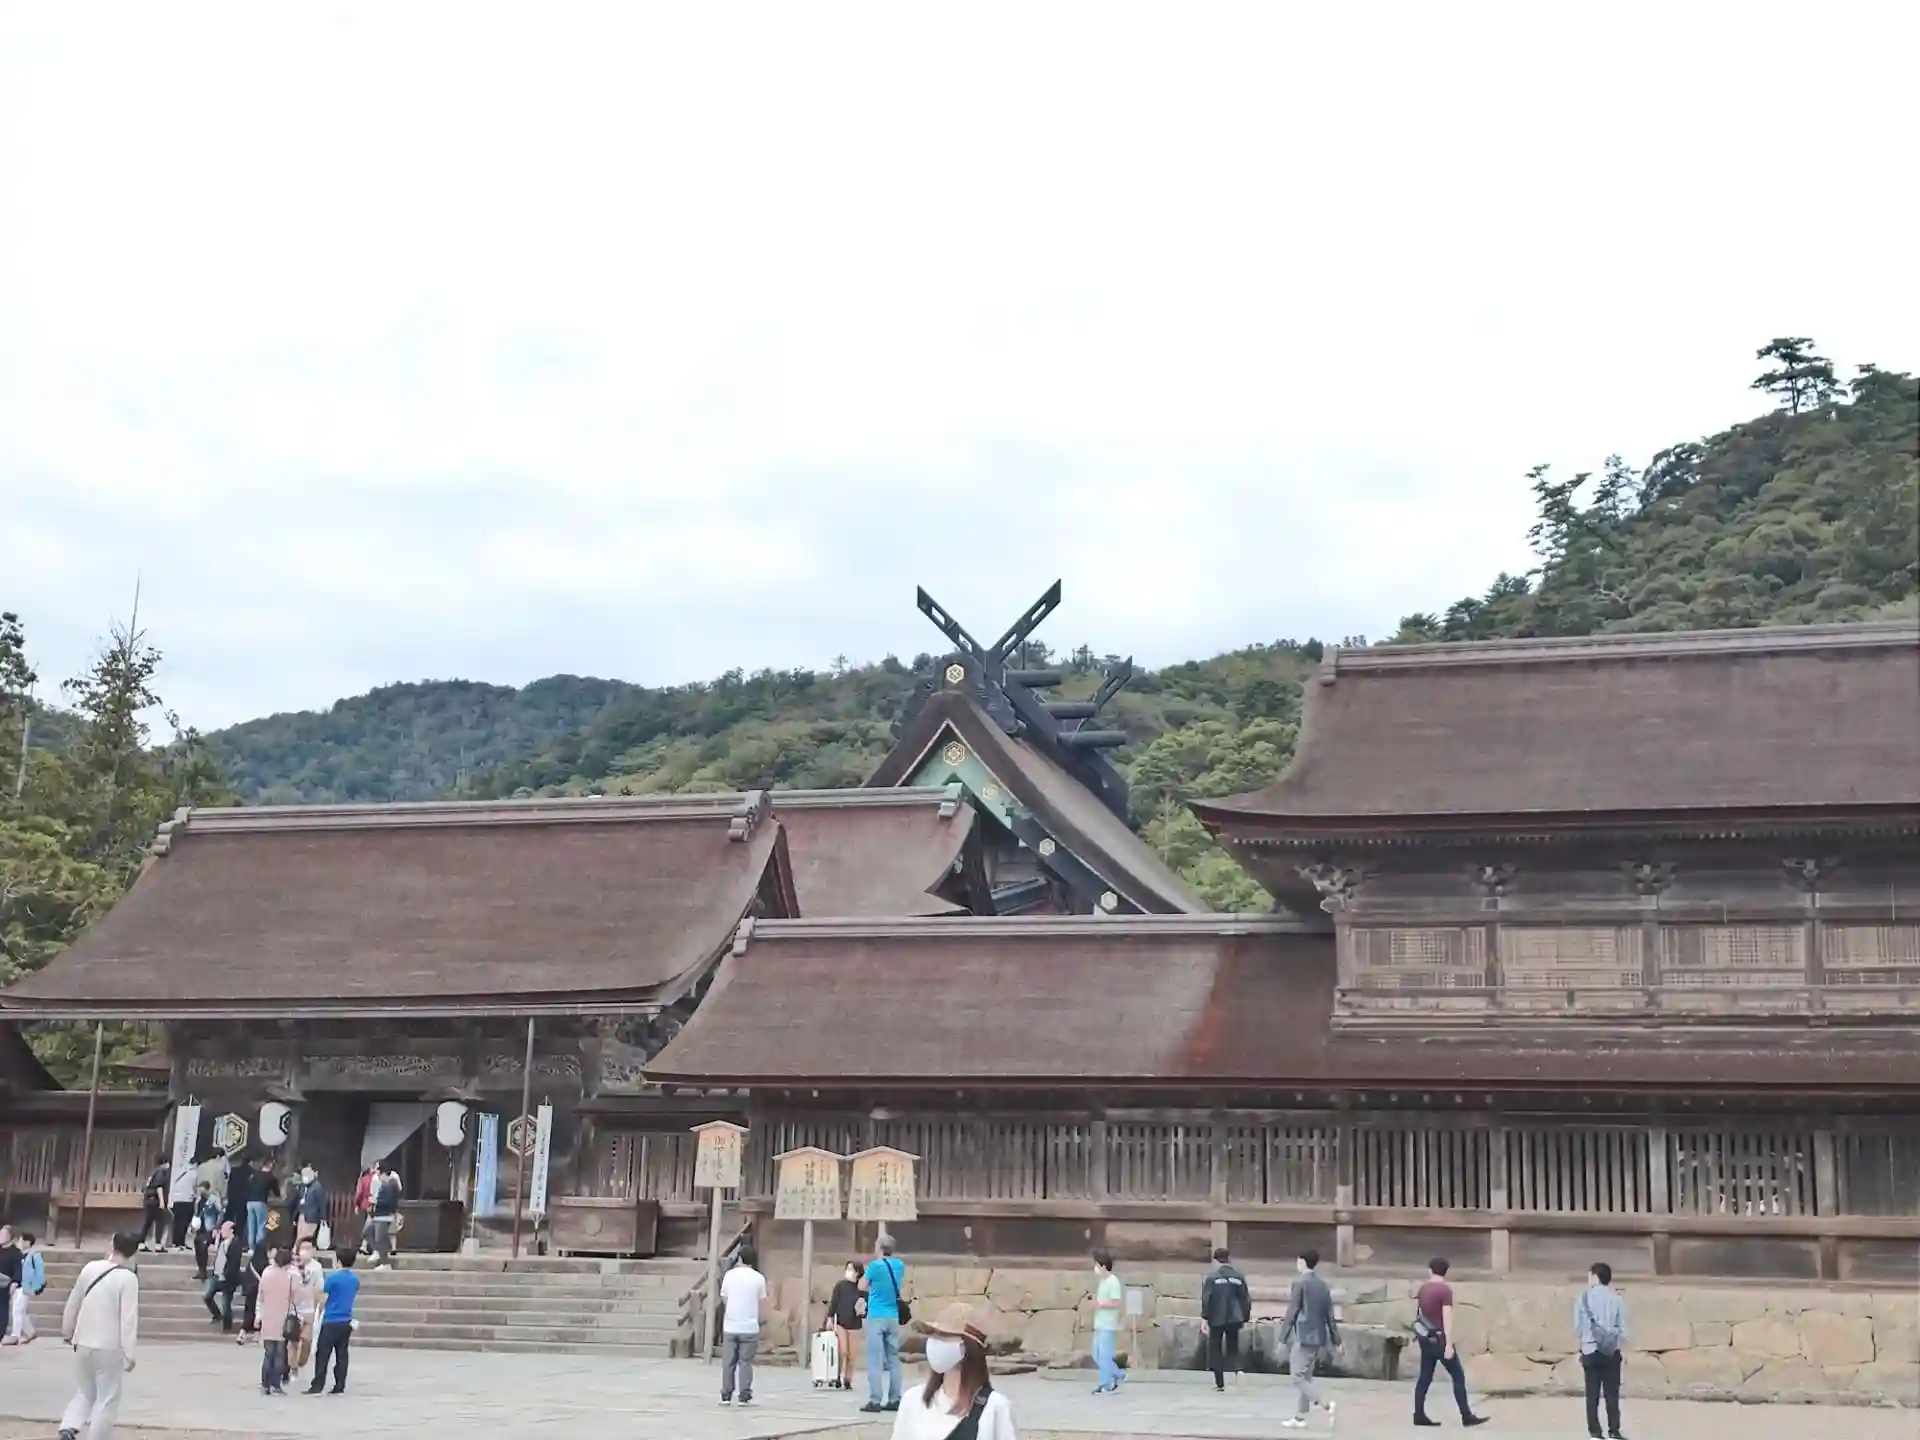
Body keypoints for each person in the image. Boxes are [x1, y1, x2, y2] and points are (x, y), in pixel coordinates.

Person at [889, 1302, 1017, 1440]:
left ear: (965, 1346)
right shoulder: (913, 1399)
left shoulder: (995, 1406)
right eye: (932, 1335)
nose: (934, 1342)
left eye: (943, 1335)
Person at [57, 1231, 140, 1440]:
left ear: (112, 1245)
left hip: (83, 1339)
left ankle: (69, 1426)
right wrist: (130, 1352)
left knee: (84, 1390)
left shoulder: (90, 1268)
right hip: (109, 1344)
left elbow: (74, 1301)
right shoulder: (128, 1278)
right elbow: (128, 1319)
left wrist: (67, 1329)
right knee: (107, 1397)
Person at [1412, 1257, 1488, 1428]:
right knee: (1458, 1376)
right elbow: (1447, 1318)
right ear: (1446, 1272)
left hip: (1426, 1338)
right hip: (1439, 1339)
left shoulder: (1423, 1288)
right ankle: (1466, 1416)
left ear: (1430, 1270)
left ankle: (1418, 1414)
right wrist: (1448, 1344)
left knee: (1424, 1377)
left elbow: (1421, 1313)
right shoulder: (1445, 1291)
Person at [1276, 1248, 1339, 1431]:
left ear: (1302, 1262)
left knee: (1297, 1376)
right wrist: (1336, 1339)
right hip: (1319, 1336)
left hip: (1303, 1335)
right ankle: (1300, 1416)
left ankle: (1325, 1403)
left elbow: (1293, 1311)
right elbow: (1329, 1315)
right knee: (1306, 1377)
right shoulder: (1322, 1285)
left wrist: (1282, 1337)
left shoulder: (1300, 1283)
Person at [1576, 1260, 1628, 1440]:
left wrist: (1582, 1345)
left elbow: (1578, 1328)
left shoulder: (1583, 1299)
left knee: (1592, 1394)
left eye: (1590, 1275)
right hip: (1611, 1352)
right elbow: (1623, 1330)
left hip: (1590, 1350)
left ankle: (1595, 1432)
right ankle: (1614, 1430)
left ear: (1595, 1277)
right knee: (1612, 1394)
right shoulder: (1617, 1299)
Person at [858, 1235, 908, 1414]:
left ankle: (875, 1399)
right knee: (893, 1358)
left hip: (876, 1315)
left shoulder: (875, 1266)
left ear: (879, 1248)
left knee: (875, 1359)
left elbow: (861, 1285)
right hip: (893, 1315)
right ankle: (895, 1398)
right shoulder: (899, 1265)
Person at [717, 1242, 767, 1406]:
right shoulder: (759, 1278)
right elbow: (761, 1301)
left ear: (739, 1258)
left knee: (728, 1363)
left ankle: (726, 1394)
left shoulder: (729, 1276)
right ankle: (744, 1395)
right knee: (745, 1363)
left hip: (731, 1325)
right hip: (750, 1326)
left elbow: (724, 1297)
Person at [306, 1245, 360, 1395]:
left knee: (323, 1354)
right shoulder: (355, 1280)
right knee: (342, 1354)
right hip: (346, 1320)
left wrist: (316, 1296)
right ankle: (340, 1384)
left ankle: (318, 1384)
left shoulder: (333, 1278)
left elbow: (323, 1298)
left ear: (339, 1261)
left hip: (331, 1320)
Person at [1200, 1246, 1251, 1392]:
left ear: (1215, 1260)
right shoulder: (1238, 1277)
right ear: (1229, 1259)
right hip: (1235, 1318)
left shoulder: (1212, 1277)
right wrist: (1245, 1317)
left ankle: (1219, 1383)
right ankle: (1238, 1370)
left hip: (1217, 1317)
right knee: (1233, 1347)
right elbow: (1245, 1299)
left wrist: (1204, 1318)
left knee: (1215, 1348)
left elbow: (1207, 1299)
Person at [257, 1245, 303, 1395]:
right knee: (279, 1354)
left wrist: (259, 1315)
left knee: (268, 1353)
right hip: (283, 1319)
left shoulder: (266, 1273)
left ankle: (265, 1384)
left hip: (268, 1317)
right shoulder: (290, 1277)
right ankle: (276, 1385)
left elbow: (261, 1296)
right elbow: (297, 1298)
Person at [1089, 1249, 1124, 1394]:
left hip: (1108, 1324)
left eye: (1097, 1265)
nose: (1095, 1268)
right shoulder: (1102, 1282)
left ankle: (1105, 1384)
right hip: (1099, 1322)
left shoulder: (1113, 1282)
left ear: (1103, 1266)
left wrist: (1100, 1304)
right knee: (1096, 1354)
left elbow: (1117, 1302)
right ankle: (1118, 1374)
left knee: (1104, 1355)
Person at [292, 1238, 327, 1379]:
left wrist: (320, 1303)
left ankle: (301, 1361)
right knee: (293, 1341)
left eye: (308, 1248)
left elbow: (320, 1287)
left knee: (306, 1340)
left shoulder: (317, 1267)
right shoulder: (292, 1265)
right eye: (303, 1248)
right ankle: (292, 1367)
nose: (305, 1251)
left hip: (309, 1309)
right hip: (294, 1309)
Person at [827, 1259, 865, 1390]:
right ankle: (836, 1375)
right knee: (842, 1351)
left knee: (852, 1355)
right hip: (841, 1323)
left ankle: (847, 1379)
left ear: (858, 1272)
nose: (848, 1271)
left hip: (855, 1324)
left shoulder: (861, 1288)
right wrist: (830, 1318)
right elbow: (834, 1302)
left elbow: (865, 1307)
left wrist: (862, 1311)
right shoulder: (840, 1286)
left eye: (851, 1269)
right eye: (847, 1268)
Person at [5, 1231, 44, 1344]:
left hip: (27, 1286)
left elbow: (40, 1273)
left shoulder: (35, 1255)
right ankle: (30, 1332)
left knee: (17, 1309)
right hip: (19, 1285)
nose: (19, 1242)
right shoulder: (21, 1254)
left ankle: (15, 1335)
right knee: (21, 1310)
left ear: (28, 1242)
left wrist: (36, 1287)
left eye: (21, 1240)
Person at [204, 1220, 242, 1332]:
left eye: (224, 1229)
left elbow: (234, 1263)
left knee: (225, 1303)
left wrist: (225, 1274)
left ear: (231, 1230)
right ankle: (217, 1315)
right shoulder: (222, 1241)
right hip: (217, 1275)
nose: (222, 1231)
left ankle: (227, 1327)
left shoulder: (236, 1243)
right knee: (207, 1296)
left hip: (229, 1278)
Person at [368, 1164, 402, 1269]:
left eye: (379, 1175)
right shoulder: (385, 1184)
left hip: (384, 1215)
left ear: (383, 1174)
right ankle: (377, 1251)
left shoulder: (391, 1184)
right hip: (378, 1214)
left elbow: (389, 1201)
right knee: (367, 1232)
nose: (378, 1177)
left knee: (380, 1239)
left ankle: (385, 1263)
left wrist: (376, 1201)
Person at [245, 1160, 280, 1250]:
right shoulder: (271, 1177)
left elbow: (247, 1186)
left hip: (249, 1202)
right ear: (271, 1166)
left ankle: (251, 1248)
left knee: (251, 1226)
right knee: (261, 1225)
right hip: (260, 1202)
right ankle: (259, 1248)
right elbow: (276, 1193)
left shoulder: (254, 1174)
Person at [191, 1183, 223, 1279]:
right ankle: (201, 1269)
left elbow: (221, 1212)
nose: (200, 1191)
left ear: (206, 1189)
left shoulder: (213, 1199)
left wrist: (217, 1227)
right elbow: (196, 1212)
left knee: (203, 1246)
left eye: (202, 1189)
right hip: (199, 1227)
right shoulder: (198, 1200)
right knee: (197, 1246)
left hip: (209, 1227)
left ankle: (203, 1270)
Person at [139, 1156, 170, 1252]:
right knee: (160, 1223)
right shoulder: (161, 1172)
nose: (168, 1166)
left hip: (149, 1200)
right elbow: (159, 1187)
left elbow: (144, 1188)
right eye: (168, 1163)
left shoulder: (153, 1173)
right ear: (164, 1163)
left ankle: (141, 1244)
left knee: (147, 1223)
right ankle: (158, 1245)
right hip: (155, 1201)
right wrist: (162, 1202)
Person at [297, 1165, 327, 1248]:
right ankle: (297, 1250)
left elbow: (321, 1203)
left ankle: (304, 1250)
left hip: (312, 1216)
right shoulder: (303, 1186)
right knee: (300, 1235)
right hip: (302, 1214)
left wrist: (323, 1217)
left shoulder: (317, 1187)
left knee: (307, 1236)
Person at [0, 1223, 20, 1342]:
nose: (0, 1236)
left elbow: (18, 1269)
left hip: (4, 1285)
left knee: (2, 1309)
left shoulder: (15, 1252)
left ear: (10, 1237)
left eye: (3, 1234)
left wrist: (15, 1282)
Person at [352, 1163, 379, 1253]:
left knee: (369, 1224)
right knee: (372, 1225)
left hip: (365, 1204)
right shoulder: (378, 1178)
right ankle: (368, 1246)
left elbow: (359, 1193)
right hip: (375, 1204)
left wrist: (357, 1204)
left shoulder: (364, 1179)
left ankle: (365, 1245)